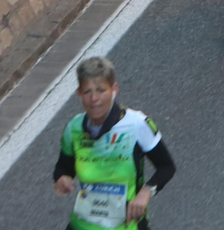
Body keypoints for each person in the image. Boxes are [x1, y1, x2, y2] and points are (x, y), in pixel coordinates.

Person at [53, 57, 175, 230]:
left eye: (101, 90)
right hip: (83, 225)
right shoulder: (74, 128)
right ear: (79, 93)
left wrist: (146, 192)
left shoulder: (136, 124)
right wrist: (62, 178)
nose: (94, 98)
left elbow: (166, 167)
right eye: (87, 91)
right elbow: (63, 167)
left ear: (114, 90)